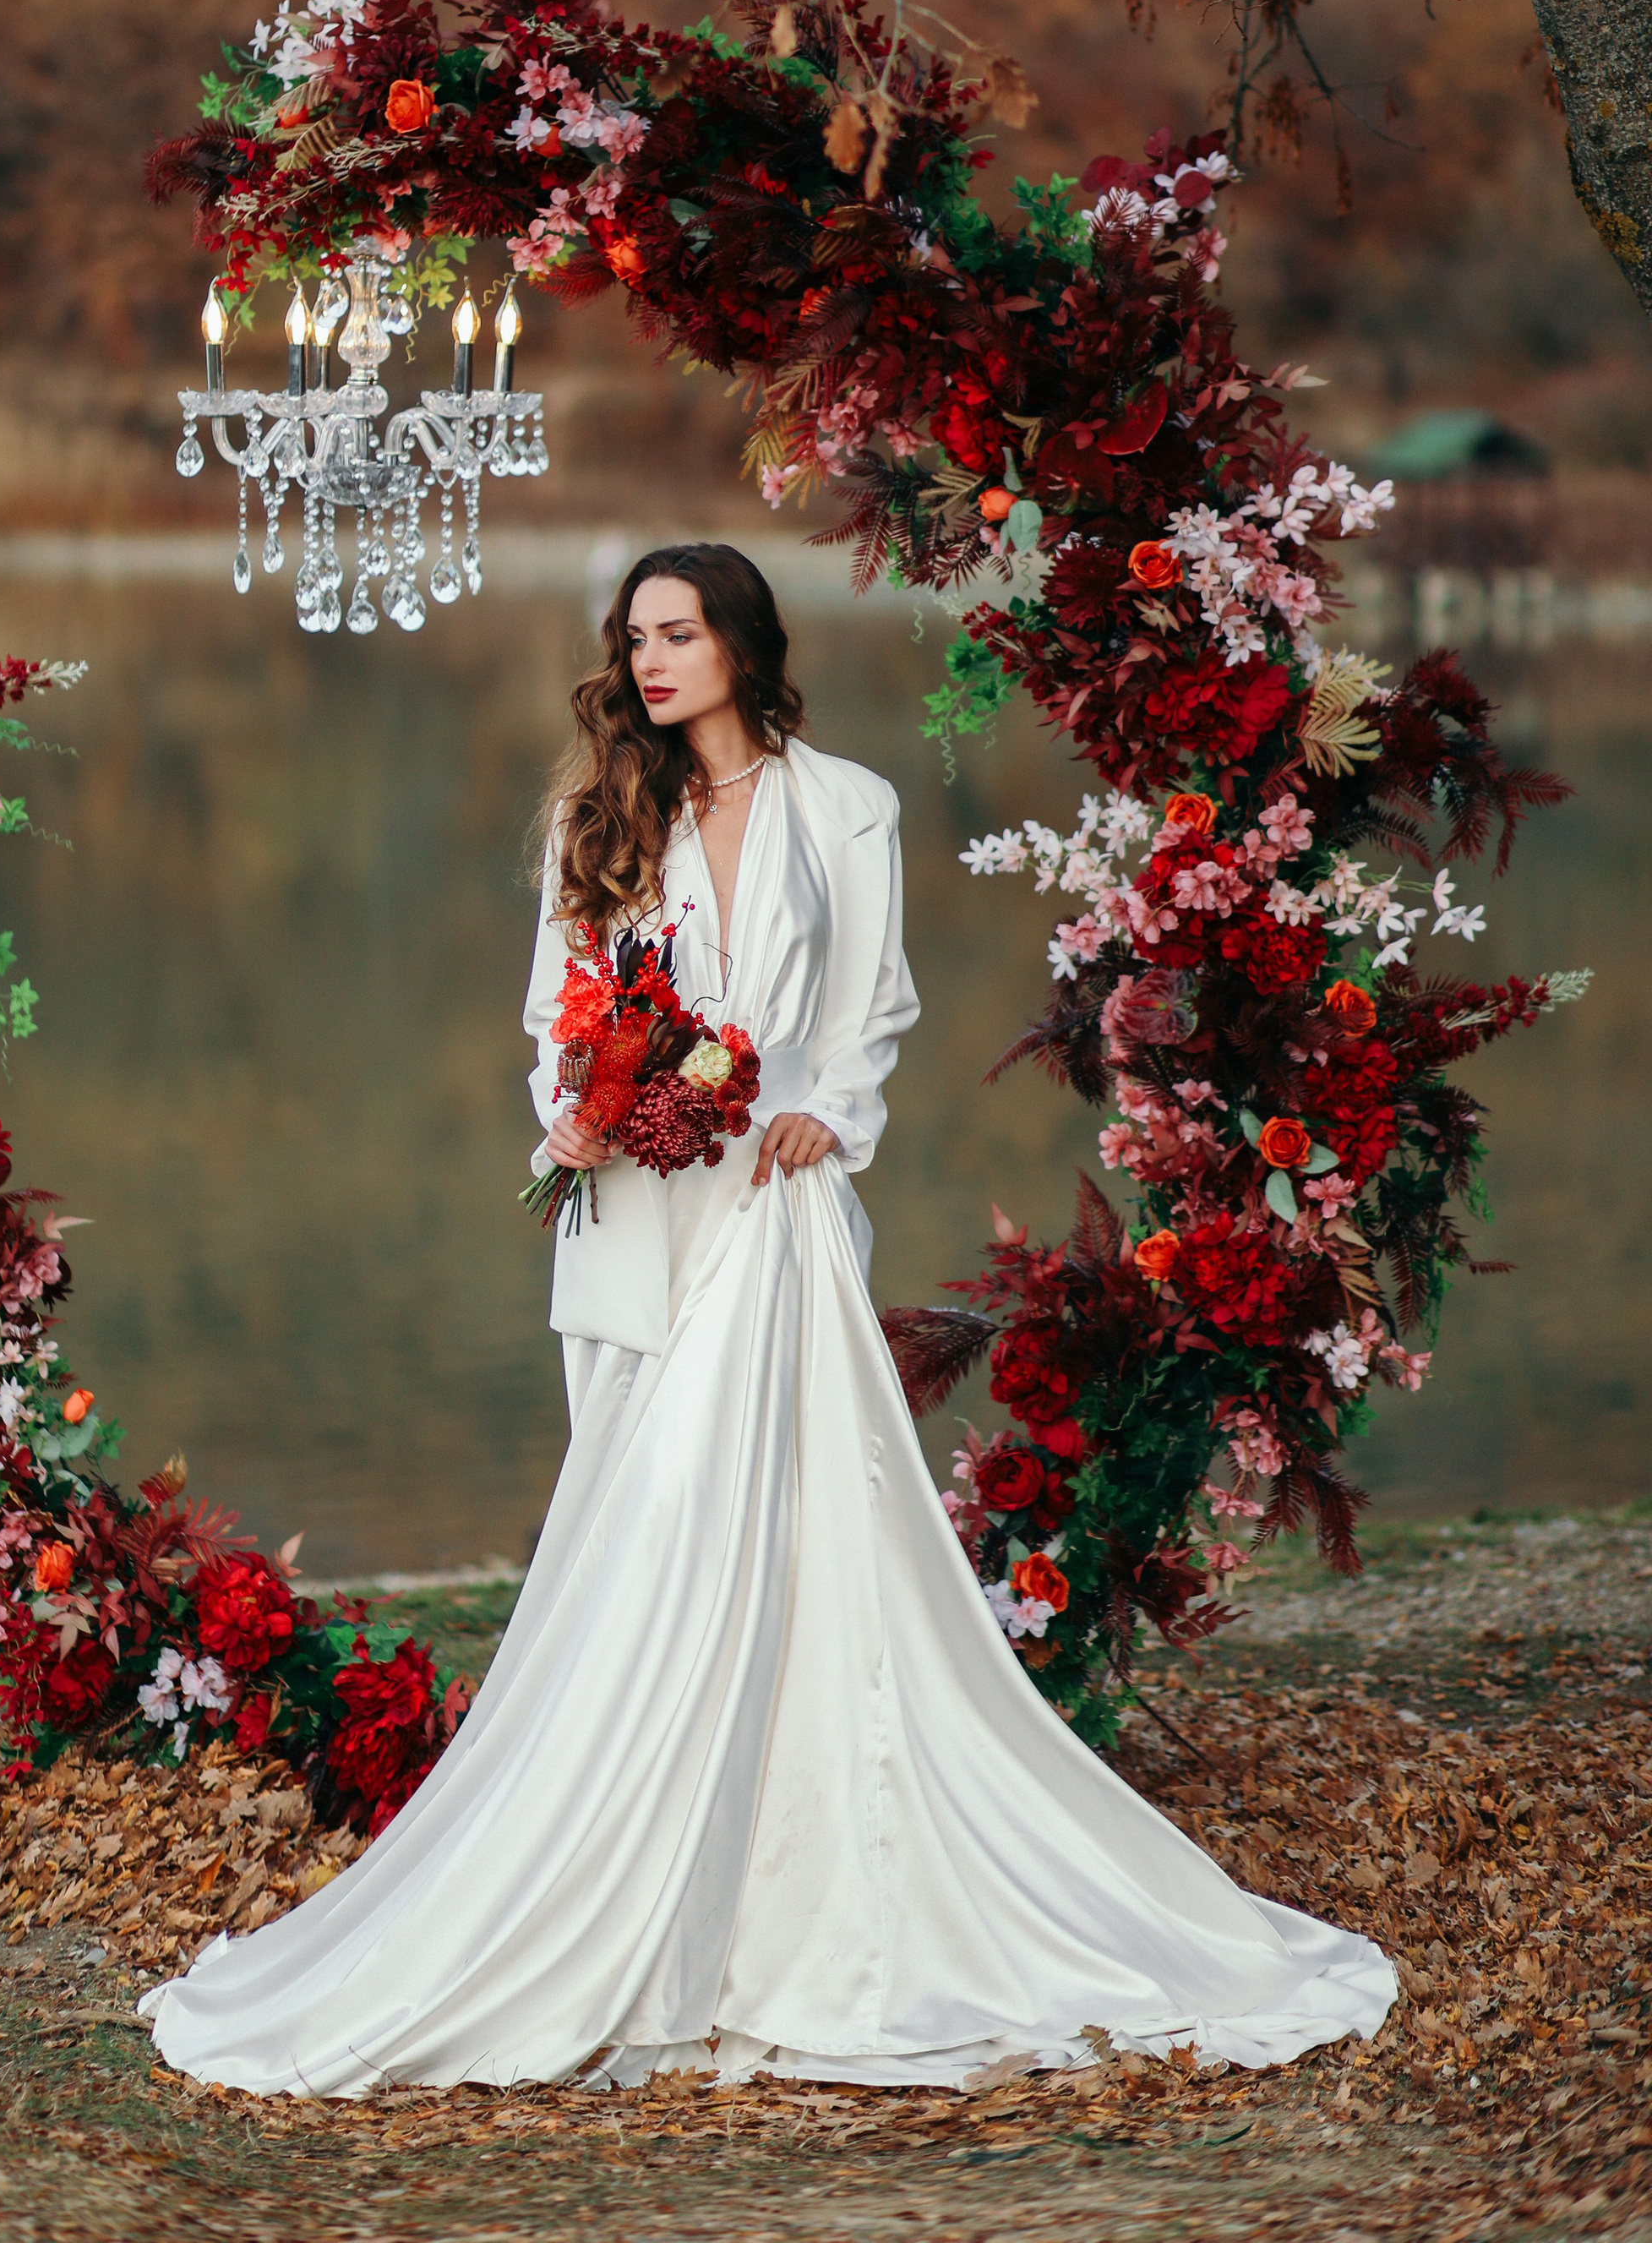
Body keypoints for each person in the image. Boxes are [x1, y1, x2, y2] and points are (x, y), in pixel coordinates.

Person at [144, 541, 1395, 2094]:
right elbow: (559, 1008)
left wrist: (831, 1115)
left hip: (771, 1212)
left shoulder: (846, 805)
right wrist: (578, 1113)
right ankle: (627, 1861)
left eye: (677, 633)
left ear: (740, 642)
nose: (651, 660)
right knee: (639, 1504)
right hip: (634, 1208)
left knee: (755, 1516)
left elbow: (876, 1000)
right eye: (634, 637)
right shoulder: (600, 814)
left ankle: (788, 1883)